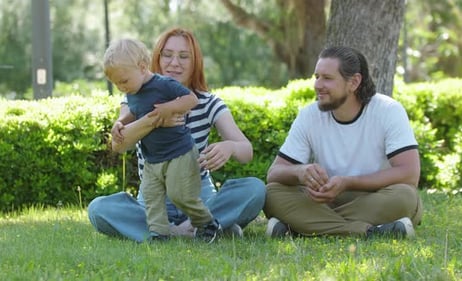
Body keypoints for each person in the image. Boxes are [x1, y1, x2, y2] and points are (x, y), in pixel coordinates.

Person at [88, 28, 266, 243]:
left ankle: (178, 229)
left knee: (255, 189)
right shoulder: (134, 96)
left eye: (184, 56)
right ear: (156, 59)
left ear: (195, 62)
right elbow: (119, 146)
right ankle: (199, 229)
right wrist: (154, 119)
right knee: (98, 209)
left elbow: (246, 152)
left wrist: (229, 146)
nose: (175, 63)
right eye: (167, 55)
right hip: (154, 199)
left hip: (199, 196)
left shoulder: (209, 103)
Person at [264, 46, 423, 239]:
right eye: (317, 77)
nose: (318, 85)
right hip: (323, 201)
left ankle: (300, 228)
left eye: (327, 78)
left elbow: (409, 173)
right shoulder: (309, 115)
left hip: (373, 198)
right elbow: (274, 174)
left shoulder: (388, 110)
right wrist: (299, 172)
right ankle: (371, 232)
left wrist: (348, 182)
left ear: (354, 82)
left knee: (404, 197)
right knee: (271, 194)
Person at [103, 38, 222, 243]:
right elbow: (132, 112)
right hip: (152, 160)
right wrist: (120, 123)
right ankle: (160, 234)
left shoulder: (163, 84)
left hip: (179, 154)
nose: (121, 87)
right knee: (151, 197)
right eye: (116, 84)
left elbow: (191, 99)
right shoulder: (132, 91)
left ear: (142, 68)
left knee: (179, 195)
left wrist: (169, 108)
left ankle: (208, 223)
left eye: (123, 81)